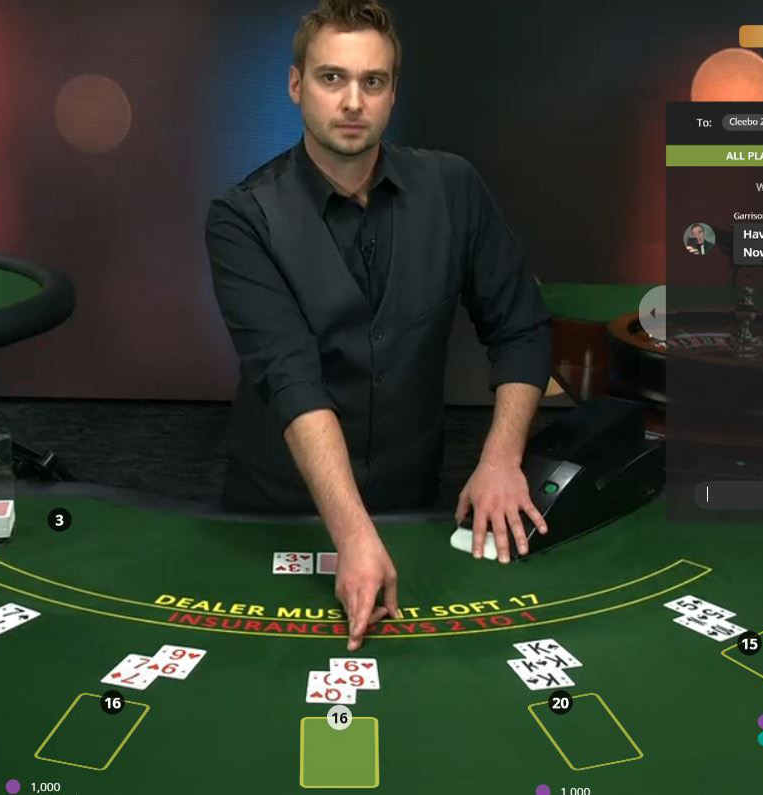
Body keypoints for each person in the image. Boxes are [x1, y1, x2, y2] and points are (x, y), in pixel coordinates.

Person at [206, 0, 552, 652]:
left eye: (372, 81)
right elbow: (292, 381)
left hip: (413, 502)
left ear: (393, 93)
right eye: (331, 78)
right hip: (280, 511)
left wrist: (501, 459)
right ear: (295, 85)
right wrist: (351, 533)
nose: (352, 101)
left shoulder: (454, 187)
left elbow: (521, 329)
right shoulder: (242, 217)